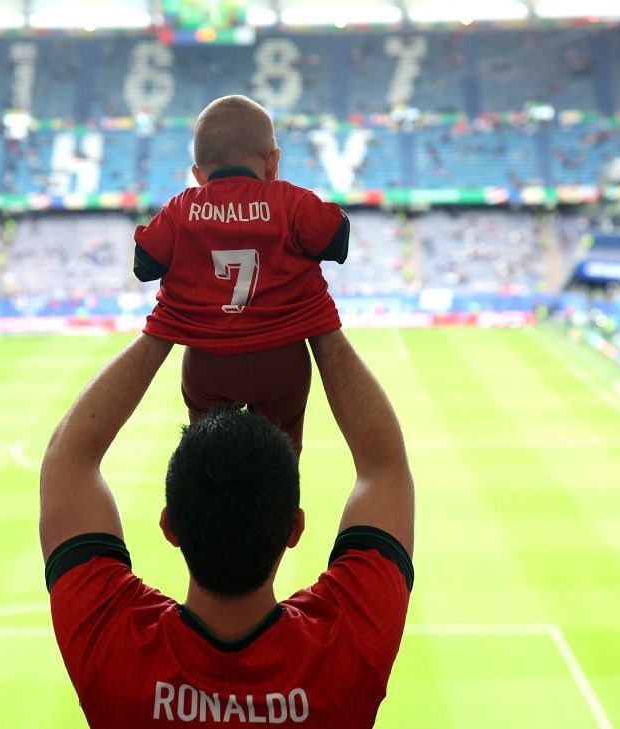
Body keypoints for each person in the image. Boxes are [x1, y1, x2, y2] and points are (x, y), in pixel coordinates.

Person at [40, 329, 413, 727]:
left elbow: (68, 459)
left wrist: (164, 326)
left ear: (170, 527)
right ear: (295, 529)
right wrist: (317, 321)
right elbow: (384, 467)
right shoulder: (348, 655)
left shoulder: (113, 657)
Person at [132, 95, 349, 454]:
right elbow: (335, 238)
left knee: (206, 456)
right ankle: (280, 506)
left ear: (198, 175)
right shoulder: (289, 200)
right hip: (281, 360)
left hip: (208, 361)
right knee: (281, 456)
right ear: (273, 163)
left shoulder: (181, 208)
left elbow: (145, 264)